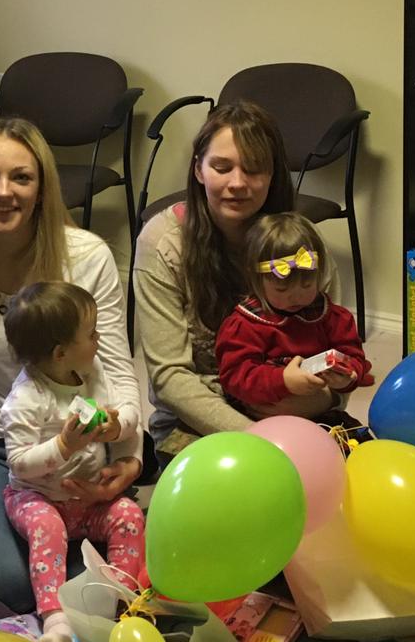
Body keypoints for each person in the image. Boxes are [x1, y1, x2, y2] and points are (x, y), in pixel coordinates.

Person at [0, 117, 141, 613]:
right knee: (13, 584)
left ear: (42, 189)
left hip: (79, 443)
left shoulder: (87, 257)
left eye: (21, 177)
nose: (3, 192)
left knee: (99, 574)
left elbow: (117, 368)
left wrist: (130, 458)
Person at [132, 100, 329, 454]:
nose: (237, 183)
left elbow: (335, 354)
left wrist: (328, 392)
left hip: (294, 412)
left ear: (273, 174)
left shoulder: (304, 243)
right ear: (198, 170)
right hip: (198, 422)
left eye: (253, 170)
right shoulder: (162, 242)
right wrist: (261, 441)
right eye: (221, 168)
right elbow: (170, 379)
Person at [1, 281, 145, 642]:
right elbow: (19, 464)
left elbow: (126, 407)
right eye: (92, 334)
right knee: (46, 526)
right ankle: (55, 618)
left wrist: (117, 427)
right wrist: (64, 446)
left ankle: (119, 602)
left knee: (130, 515)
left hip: (90, 501)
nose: (99, 340)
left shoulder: (91, 369)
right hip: (38, 498)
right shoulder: (27, 397)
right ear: (61, 353)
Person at [215, 212, 372, 418]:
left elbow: (354, 357)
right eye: (281, 289)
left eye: (306, 285)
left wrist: (348, 377)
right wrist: (283, 381)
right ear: (255, 280)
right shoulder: (244, 325)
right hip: (261, 416)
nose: (296, 297)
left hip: (321, 410)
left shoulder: (332, 317)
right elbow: (234, 377)